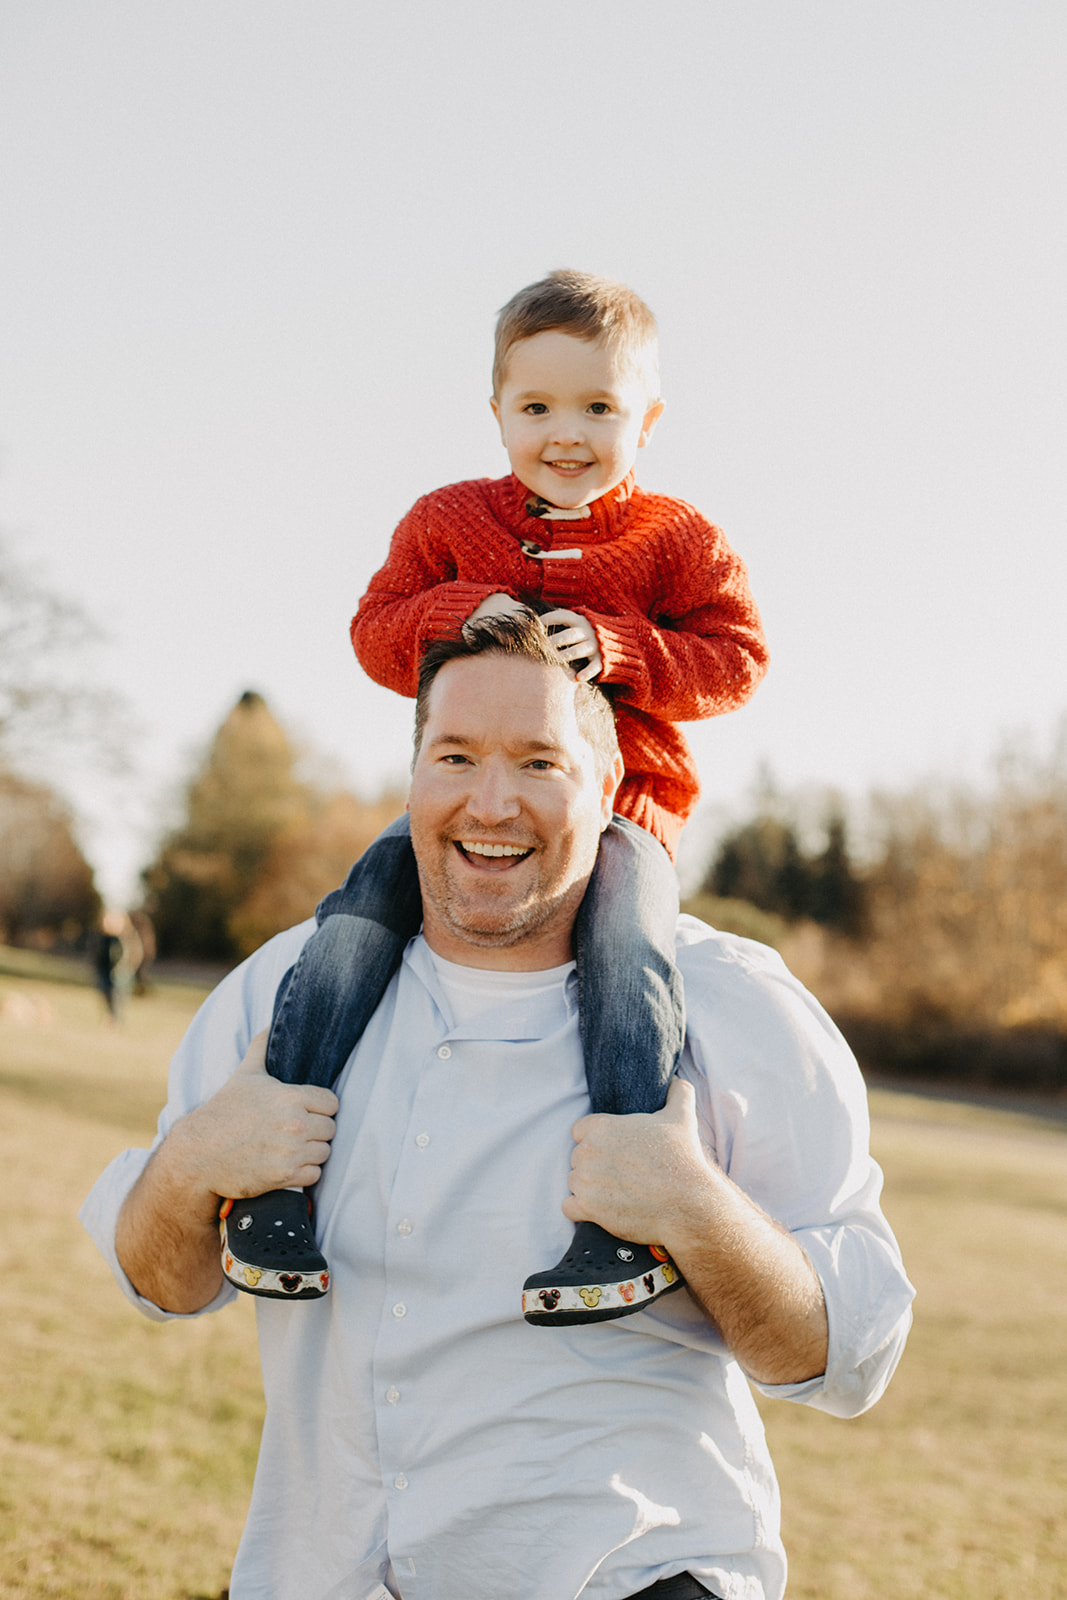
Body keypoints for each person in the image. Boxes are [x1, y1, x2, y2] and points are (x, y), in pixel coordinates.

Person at [81, 614, 914, 1600]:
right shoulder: (288, 993)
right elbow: (160, 1281)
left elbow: (849, 1353)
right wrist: (192, 1161)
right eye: (455, 755)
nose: (490, 801)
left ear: (608, 791)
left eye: (538, 761)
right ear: (412, 779)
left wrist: (691, 1207)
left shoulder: (726, 1003)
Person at [237, 269, 770, 1319]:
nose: (564, 433)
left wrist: (620, 648)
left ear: (646, 420)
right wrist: (455, 606)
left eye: (597, 408)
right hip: (469, 802)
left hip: (623, 814)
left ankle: (617, 1222)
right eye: (536, 407)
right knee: (352, 925)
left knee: (627, 955)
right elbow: (374, 633)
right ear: (496, 413)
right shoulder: (447, 521)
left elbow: (737, 659)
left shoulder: (674, 540)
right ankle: (271, 1181)